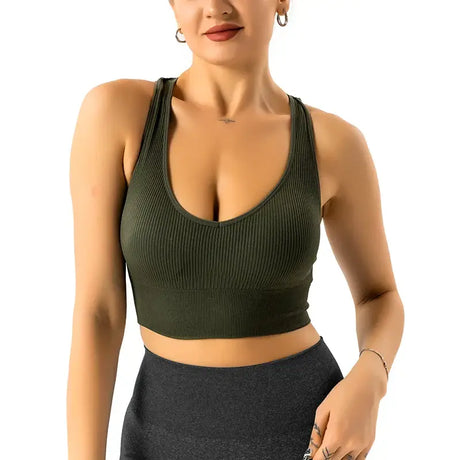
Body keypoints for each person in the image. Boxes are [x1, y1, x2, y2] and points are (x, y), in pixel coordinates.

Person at [67, 1, 404, 459]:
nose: (215, 7)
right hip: (157, 438)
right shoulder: (118, 114)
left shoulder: (335, 144)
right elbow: (99, 313)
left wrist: (371, 377)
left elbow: (379, 295)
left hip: (308, 437)